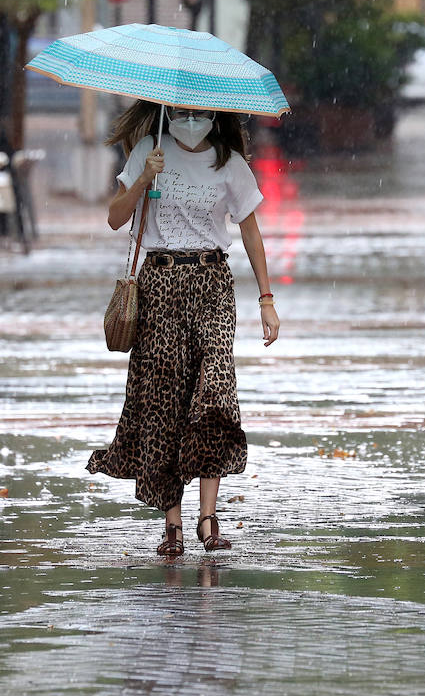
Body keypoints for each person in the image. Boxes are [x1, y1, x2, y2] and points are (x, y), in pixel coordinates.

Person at [87, 100, 280, 557]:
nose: (191, 122)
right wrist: (141, 179)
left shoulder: (229, 163)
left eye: (200, 113)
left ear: (215, 116)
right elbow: (116, 217)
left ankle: (207, 518)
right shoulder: (148, 152)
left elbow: (250, 231)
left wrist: (266, 300)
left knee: (214, 394)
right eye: (181, 113)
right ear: (167, 114)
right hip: (160, 284)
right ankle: (171, 522)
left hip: (212, 283)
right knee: (164, 400)